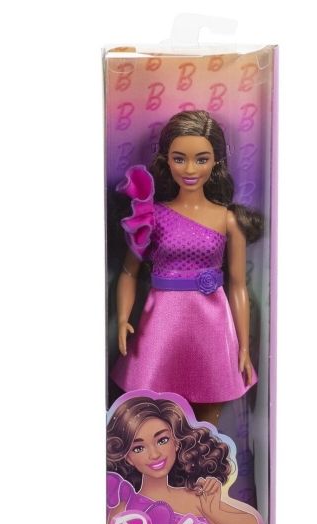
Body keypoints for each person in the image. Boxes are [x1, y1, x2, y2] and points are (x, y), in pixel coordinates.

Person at [111, 110, 263, 426]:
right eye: (179, 159)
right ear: (166, 159)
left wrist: (243, 346)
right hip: (161, 322)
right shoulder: (151, 215)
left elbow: (238, 285)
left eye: (201, 159)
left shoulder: (227, 218)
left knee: (207, 420)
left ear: (216, 161)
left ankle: (207, 456)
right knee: (156, 414)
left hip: (212, 323)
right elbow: (128, 272)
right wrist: (123, 319)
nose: (190, 169)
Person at [106, 396, 262, 524]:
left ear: (176, 442)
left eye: (162, 440)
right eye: (139, 448)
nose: (154, 455)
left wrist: (214, 512)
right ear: (128, 458)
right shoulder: (124, 506)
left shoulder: (194, 497)